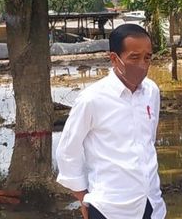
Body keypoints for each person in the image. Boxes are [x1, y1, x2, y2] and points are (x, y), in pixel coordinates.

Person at [56, 24, 166, 219]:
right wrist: (83, 196)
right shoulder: (92, 99)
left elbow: (149, 140)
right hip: (111, 208)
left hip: (151, 203)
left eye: (147, 57)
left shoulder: (151, 91)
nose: (142, 64)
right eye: (134, 57)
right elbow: (68, 151)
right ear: (114, 59)